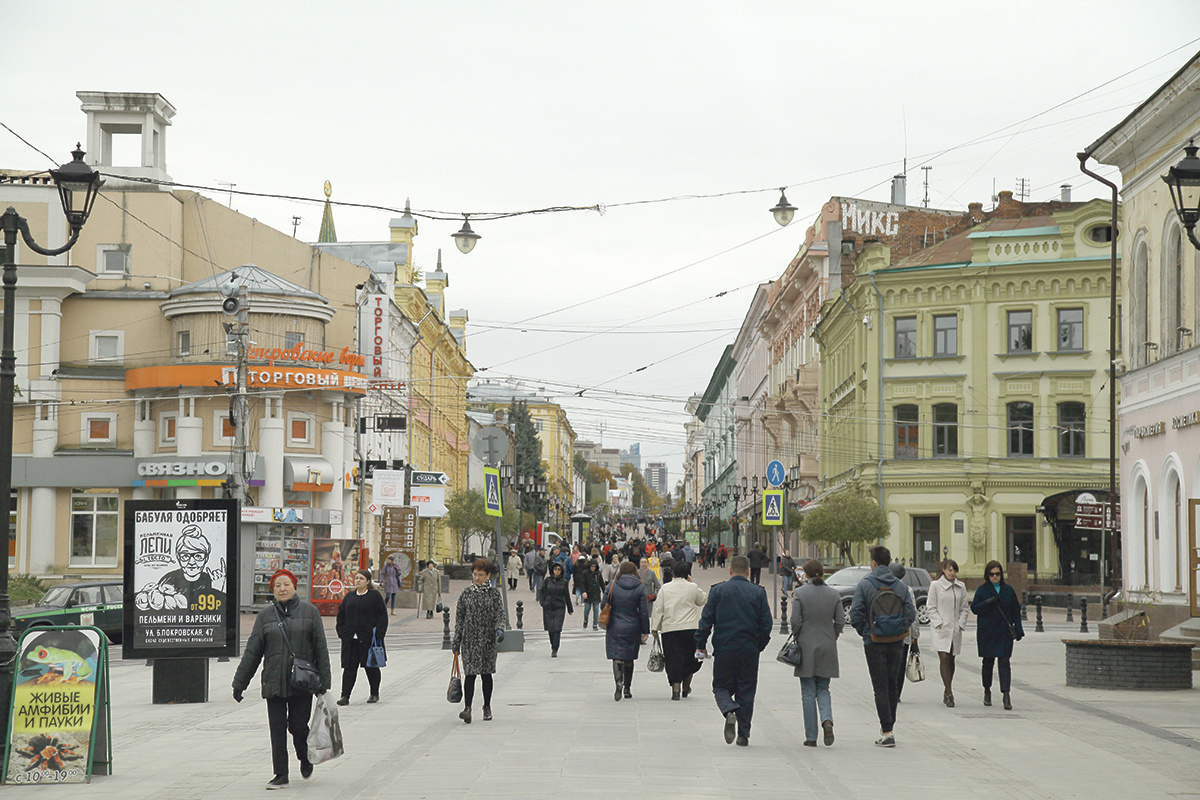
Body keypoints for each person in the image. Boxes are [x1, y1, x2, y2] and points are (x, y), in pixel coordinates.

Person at [233, 568, 331, 789]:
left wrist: (324, 683)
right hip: (274, 681)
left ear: (295, 587)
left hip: (301, 682)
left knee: (298, 726)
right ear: (273, 591)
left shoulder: (310, 612)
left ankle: (304, 757)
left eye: (286, 584)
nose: (282, 588)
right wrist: (239, 683)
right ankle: (280, 774)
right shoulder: (265, 616)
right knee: (277, 730)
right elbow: (253, 651)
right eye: (277, 585)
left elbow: (321, 648)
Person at [695, 554, 772, 747]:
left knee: (720, 687)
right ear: (748, 571)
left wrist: (701, 644)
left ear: (730, 571)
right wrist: (759, 645)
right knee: (746, 691)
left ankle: (729, 710)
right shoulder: (758, 592)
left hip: (724, 647)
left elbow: (706, 621)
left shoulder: (718, 591)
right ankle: (743, 734)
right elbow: (766, 624)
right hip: (749, 649)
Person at [847, 546, 916, 748]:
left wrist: (867, 633)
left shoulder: (865, 585)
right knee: (893, 684)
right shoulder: (900, 586)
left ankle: (887, 731)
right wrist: (900, 629)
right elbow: (911, 614)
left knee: (880, 687)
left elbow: (855, 615)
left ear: (874, 563)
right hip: (896, 642)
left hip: (874, 642)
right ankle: (890, 727)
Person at [791, 559, 843, 747]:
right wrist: (832, 636)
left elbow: (795, 621)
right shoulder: (833, 594)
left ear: (806, 574)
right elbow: (840, 622)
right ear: (822, 573)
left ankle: (811, 736)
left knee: (807, 692)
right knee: (823, 688)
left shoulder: (800, 593)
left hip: (806, 646)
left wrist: (798, 636)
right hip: (828, 645)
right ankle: (827, 720)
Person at [452, 559, 506, 724]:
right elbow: (459, 618)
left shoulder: (494, 593)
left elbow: (500, 614)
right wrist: (456, 640)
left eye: (481, 575)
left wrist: (499, 629)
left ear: (488, 575)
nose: (477, 578)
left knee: (486, 674)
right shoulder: (466, 593)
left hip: (488, 640)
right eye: (475, 574)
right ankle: (467, 708)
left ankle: (487, 706)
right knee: (470, 675)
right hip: (470, 640)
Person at [971, 560, 1024, 710]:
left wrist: (1018, 629)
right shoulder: (982, 590)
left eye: (998, 574)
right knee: (988, 663)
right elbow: (975, 608)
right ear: (987, 575)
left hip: (1004, 632)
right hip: (987, 632)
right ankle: (987, 690)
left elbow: (1015, 611)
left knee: (1004, 663)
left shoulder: (1008, 590)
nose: (995, 577)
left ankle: (1006, 695)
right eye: (992, 574)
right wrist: (987, 602)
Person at [650, 561, 707, 700]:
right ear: (688, 574)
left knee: (673, 658)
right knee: (690, 657)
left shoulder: (665, 588)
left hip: (670, 629)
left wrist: (655, 627)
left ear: (673, 573)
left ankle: (676, 688)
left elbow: (658, 609)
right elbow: (703, 600)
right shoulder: (692, 587)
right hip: (690, 628)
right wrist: (691, 583)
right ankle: (686, 687)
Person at [335, 568, 388, 706]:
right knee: (349, 668)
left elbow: (382, 617)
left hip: (368, 639)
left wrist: (379, 634)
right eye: (357, 578)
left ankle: (374, 693)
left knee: (371, 667)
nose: (357, 580)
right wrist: (342, 632)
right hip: (351, 640)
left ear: (368, 581)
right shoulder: (349, 596)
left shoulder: (374, 596)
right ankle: (345, 696)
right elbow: (341, 615)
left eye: (361, 578)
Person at [605, 560, 650, 701]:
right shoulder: (640, 587)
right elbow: (644, 611)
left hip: (615, 625)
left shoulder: (612, 584)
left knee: (616, 655)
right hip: (633, 625)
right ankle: (627, 689)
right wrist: (645, 630)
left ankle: (618, 681)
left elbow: (603, 604)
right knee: (629, 657)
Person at [928, 558, 969, 707]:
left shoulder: (960, 587)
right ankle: (949, 691)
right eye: (949, 570)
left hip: (955, 629)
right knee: (944, 658)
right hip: (941, 629)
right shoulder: (936, 586)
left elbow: (964, 608)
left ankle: (947, 689)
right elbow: (931, 607)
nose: (952, 573)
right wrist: (938, 622)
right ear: (943, 571)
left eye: (954, 570)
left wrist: (960, 624)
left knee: (951, 659)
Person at [538, 561, 574, 657]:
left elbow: (567, 596)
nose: (557, 571)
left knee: (557, 628)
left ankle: (555, 648)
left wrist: (570, 609)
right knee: (550, 628)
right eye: (555, 569)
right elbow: (542, 591)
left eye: (559, 569)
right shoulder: (547, 580)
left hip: (559, 607)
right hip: (548, 607)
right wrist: (542, 602)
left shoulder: (564, 582)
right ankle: (552, 645)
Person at [579, 558, 605, 630]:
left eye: (594, 566)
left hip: (596, 593)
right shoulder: (585, 573)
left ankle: (595, 624)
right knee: (587, 609)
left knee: (596, 609)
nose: (593, 568)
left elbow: (601, 583)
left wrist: (605, 592)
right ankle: (585, 620)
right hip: (588, 593)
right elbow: (582, 583)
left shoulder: (598, 573)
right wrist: (583, 591)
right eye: (592, 566)